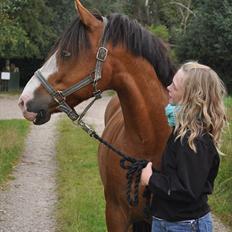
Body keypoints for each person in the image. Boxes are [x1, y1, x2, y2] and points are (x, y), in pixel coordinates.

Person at [141, 61, 227, 232]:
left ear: (191, 96)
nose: (168, 87)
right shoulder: (183, 130)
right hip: (171, 221)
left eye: (175, 86)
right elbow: (178, 175)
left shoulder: (195, 140)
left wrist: (151, 179)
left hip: (183, 226)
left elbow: (187, 191)